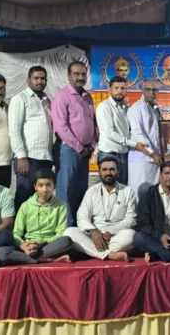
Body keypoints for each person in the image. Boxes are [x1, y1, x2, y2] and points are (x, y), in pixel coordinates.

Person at [0, 169, 72, 264]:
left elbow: (60, 233)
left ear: (54, 186)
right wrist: (24, 245)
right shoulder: (26, 206)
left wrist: (41, 243)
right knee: (0, 252)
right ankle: (45, 259)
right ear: (35, 187)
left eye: (48, 185)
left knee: (66, 241)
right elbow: (16, 233)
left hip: (47, 245)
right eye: (40, 185)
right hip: (27, 245)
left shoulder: (61, 205)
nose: (44, 189)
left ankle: (27, 258)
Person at [64, 157, 137, 261]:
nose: (108, 173)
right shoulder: (92, 191)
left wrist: (111, 231)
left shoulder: (128, 191)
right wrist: (93, 231)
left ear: (118, 172)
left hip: (116, 236)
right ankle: (109, 254)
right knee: (69, 232)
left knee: (131, 235)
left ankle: (94, 252)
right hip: (94, 237)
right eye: (104, 170)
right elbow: (82, 216)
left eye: (112, 169)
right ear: (99, 172)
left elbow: (131, 219)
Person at [52, 61, 97, 227]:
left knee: (81, 190)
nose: (80, 77)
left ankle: (79, 228)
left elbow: (92, 123)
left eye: (83, 74)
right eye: (76, 74)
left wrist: (91, 146)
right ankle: (66, 230)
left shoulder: (87, 97)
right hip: (68, 150)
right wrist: (78, 147)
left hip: (85, 152)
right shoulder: (62, 96)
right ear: (68, 76)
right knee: (66, 191)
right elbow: (60, 126)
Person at [9, 66, 54, 211]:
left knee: (42, 197)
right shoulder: (20, 99)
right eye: (36, 78)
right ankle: (18, 225)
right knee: (24, 196)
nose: (39, 81)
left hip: (45, 157)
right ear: (28, 80)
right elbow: (14, 130)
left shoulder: (47, 101)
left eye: (42, 78)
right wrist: (21, 156)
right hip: (28, 158)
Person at [96, 76, 146, 185]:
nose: (120, 91)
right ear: (110, 89)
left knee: (122, 189)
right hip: (109, 154)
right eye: (116, 88)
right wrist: (134, 144)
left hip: (124, 155)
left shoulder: (126, 108)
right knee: (109, 188)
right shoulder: (104, 107)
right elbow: (109, 133)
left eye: (123, 88)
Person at [127, 79, 164, 200]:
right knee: (140, 196)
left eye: (154, 90)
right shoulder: (136, 108)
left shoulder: (156, 109)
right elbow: (138, 134)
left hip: (155, 160)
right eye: (148, 89)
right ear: (142, 91)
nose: (151, 92)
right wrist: (152, 153)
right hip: (141, 160)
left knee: (152, 196)